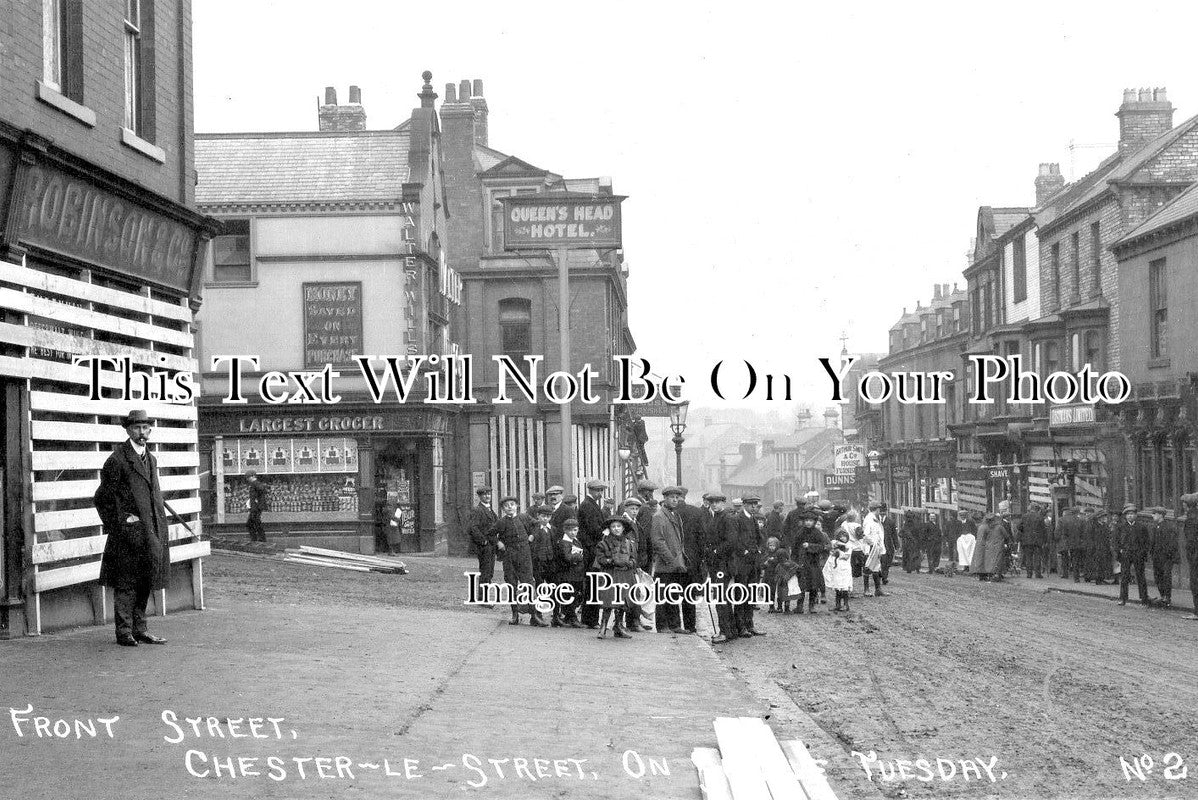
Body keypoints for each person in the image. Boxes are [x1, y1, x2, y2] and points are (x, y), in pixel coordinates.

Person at [95, 410, 171, 647]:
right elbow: (102, 498)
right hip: (127, 536)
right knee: (126, 582)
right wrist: (120, 525)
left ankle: (141, 629)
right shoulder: (117, 460)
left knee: (146, 580)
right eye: (137, 428)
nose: (142, 433)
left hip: (151, 532)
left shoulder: (151, 459)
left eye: (146, 428)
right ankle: (124, 632)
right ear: (128, 430)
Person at [716, 494, 765, 637]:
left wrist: (759, 549)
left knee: (751, 594)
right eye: (751, 504)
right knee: (741, 594)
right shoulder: (738, 519)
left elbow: (759, 538)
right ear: (744, 505)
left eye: (755, 504)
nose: (754, 506)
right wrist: (744, 551)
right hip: (742, 563)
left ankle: (750, 625)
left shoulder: (754, 519)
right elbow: (735, 540)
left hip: (753, 562)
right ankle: (741, 626)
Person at [494, 496, 544, 626]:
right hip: (509, 557)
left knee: (528, 583)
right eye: (506, 506)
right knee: (511, 583)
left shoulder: (524, 517)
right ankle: (515, 615)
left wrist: (532, 535)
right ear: (503, 509)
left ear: (517, 506)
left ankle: (534, 616)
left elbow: (537, 525)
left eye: (512, 504)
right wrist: (498, 542)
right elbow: (490, 534)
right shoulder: (501, 522)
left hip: (525, 555)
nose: (510, 507)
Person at [650, 486, 689, 634]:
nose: (675, 500)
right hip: (664, 565)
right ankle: (663, 625)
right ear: (665, 499)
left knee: (673, 594)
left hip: (675, 564)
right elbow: (658, 541)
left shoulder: (675, 515)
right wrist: (671, 560)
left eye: (677, 497)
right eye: (672, 497)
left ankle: (675, 625)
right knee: (663, 596)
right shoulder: (659, 516)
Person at [593, 516, 637, 639]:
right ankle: (603, 628)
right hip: (611, 575)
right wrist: (611, 561)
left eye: (619, 526)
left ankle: (618, 626)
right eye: (613, 526)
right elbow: (600, 559)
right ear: (609, 529)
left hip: (625, 575)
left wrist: (630, 563)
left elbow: (634, 558)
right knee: (609, 601)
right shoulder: (603, 543)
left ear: (623, 528)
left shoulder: (629, 543)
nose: (616, 529)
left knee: (623, 602)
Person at [577, 480, 607, 628]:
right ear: (590, 490)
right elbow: (594, 528)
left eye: (601, 490)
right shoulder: (588, 506)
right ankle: (590, 620)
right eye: (598, 491)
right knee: (592, 584)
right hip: (590, 549)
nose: (600, 494)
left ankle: (589, 619)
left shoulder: (591, 504)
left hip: (592, 548)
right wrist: (605, 533)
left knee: (592, 584)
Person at [791, 509, 829, 613]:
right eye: (806, 520)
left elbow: (822, 546)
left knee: (813, 585)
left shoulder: (817, 533)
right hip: (802, 563)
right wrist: (794, 561)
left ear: (814, 522)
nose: (808, 522)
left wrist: (810, 546)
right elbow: (794, 547)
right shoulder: (800, 533)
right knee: (801, 585)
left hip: (813, 563)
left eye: (810, 521)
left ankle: (811, 606)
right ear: (803, 521)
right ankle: (799, 606)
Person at [1115, 504, 1151, 607]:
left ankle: (1144, 599)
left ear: (1136, 515)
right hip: (1126, 554)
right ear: (1125, 516)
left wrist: (1143, 552)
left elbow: (1146, 541)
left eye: (1132, 514)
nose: (1130, 516)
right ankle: (1123, 598)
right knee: (1124, 577)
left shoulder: (1141, 527)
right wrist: (1120, 551)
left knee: (1141, 577)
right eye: (1128, 514)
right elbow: (1116, 541)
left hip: (1138, 554)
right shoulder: (1121, 527)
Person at [467, 487, 498, 602]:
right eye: (484, 495)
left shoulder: (489, 510)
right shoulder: (478, 510)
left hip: (491, 545)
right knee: (485, 572)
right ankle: (483, 598)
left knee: (489, 572)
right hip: (485, 547)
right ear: (479, 497)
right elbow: (472, 528)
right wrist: (483, 541)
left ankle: (484, 596)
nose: (487, 496)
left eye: (489, 494)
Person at [555, 518, 587, 627]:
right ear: (565, 530)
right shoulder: (564, 542)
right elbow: (567, 557)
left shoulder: (576, 541)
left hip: (577, 574)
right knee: (570, 596)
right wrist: (578, 556)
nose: (572, 533)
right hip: (569, 574)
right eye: (570, 530)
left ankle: (569, 616)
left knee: (575, 595)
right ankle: (572, 617)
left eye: (575, 530)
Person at [1147, 506, 1178, 608]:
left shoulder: (1169, 527)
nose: (1152, 516)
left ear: (1160, 515)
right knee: (1158, 576)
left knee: (1166, 576)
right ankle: (1163, 595)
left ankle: (1167, 597)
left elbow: (1172, 544)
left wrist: (1168, 555)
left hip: (1166, 557)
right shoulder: (1155, 527)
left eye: (1154, 514)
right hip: (1157, 557)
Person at [762, 536, 799, 613]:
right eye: (770, 545)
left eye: (773, 545)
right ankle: (771, 607)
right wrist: (767, 562)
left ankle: (781, 607)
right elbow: (763, 564)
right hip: (770, 574)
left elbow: (783, 562)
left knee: (782, 591)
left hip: (779, 575)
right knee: (771, 591)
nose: (772, 547)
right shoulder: (767, 554)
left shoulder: (779, 553)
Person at [825, 529, 854, 612]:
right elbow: (832, 545)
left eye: (844, 536)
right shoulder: (836, 544)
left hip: (845, 568)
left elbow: (846, 557)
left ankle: (846, 604)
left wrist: (839, 551)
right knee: (837, 587)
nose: (843, 538)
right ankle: (837, 604)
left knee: (844, 587)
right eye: (841, 536)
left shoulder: (849, 545)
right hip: (837, 568)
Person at [861, 501, 886, 596]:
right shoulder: (869, 519)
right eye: (879, 508)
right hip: (871, 547)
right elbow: (866, 535)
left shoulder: (876, 518)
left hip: (877, 547)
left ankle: (878, 589)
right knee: (868, 567)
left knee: (876, 567)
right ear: (877, 509)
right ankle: (866, 589)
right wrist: (873, 545)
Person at [1018, 503, 1048, 579]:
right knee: (1037, 557)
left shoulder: (1024, 516)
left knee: (1028, 558)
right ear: (1037, 509)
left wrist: (1024, 532)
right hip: (1037, 541)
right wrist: (1045, 540)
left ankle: (1029, 574)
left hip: (1027, 540)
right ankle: (1038, 574)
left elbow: (1019, 527)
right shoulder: (1040, 517)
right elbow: (1044, 530)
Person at [1057, 507, 1086, 583]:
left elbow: (1059, 532)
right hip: (1077, 543)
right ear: (1078, 512)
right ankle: (1076, 577)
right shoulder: (1081, 521)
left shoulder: (1062, 520)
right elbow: (1083, 533)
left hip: (1066, 542)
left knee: (1065, 559)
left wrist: (1057, 540)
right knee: (1075, 560)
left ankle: (1065, 574)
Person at [1181, 493, 1198, 620]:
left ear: (1186, 505)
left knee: (1195, 583)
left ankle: (1196, 612)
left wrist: (1191, 556)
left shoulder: (1191, 519)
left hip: (1196, 556)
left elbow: (1191, 540)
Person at [246, 471, 267, 543]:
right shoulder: (254, 484)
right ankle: (259, 539)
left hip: (256, 508)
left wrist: (257, 501)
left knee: (252, 523)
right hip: (255, 507)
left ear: (253, 476)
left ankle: (258, 539)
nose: (248, 479)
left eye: (248, 477)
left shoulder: (256, 483)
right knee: (254, 523)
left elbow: (262, 489)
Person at [880, 504, 899, 583]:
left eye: (884, 511)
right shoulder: (875, 521)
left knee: (887, 562)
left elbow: (894, 534)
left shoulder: (890, 522)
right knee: (880, 561)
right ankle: (880, 575)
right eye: (881, 511)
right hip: (878, 545)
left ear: (886, 512)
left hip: (888, 545)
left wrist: (896, 545)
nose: (882, 513)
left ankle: (884, 577)